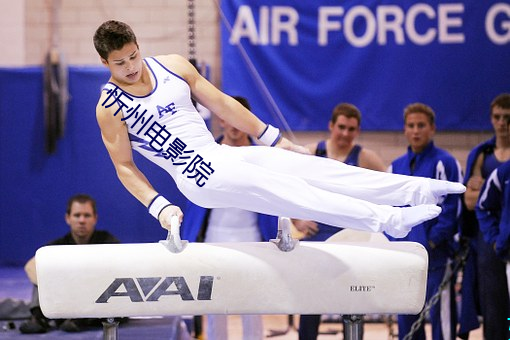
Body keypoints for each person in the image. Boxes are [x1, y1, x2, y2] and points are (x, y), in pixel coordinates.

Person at [93, 20, 465, 247]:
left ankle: (413, 189)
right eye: (119, 63)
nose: (129, 68)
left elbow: (222, 103)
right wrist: (160, 207)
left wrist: (273, 137)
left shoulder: (172, 66)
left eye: (132, 57)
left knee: (314, 169)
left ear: (139, 46)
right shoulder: (110, 107)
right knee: (294, 193)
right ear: (105, 63)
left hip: (222, 155)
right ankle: (387, 220)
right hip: (197, 174)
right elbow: (124, 167)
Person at [181, 96, 278, 340]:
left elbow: (275, 199)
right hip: (214, 238)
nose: (235, 126)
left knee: (253, 306)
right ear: (221, 120)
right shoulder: (204, 153)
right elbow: (192, 198)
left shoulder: (262, 159)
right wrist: (187, 238)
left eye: (239, 120)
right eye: (229, 119)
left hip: (254, 239)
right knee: (215, 305)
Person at [295, 102, 386, 340]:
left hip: (351, 239)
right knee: (310, 302)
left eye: (351, 129)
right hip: (317, 235)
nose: (345, 134)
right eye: (341, 127)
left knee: (353, 300)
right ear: (331, 126)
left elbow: (389, 192)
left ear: (357, 131)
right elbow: (285, 189)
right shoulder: (311, 152)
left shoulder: (365, 158)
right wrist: (297, 219)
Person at [387, 103, 462, 340]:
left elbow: (452, 209)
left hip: (436, 257)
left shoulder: (445, 163)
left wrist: (432, 241)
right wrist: (395, 243)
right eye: (411, 126)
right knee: (407, 321)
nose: (416, 131)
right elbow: (388, 209)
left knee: (442, 320)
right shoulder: (395, 167)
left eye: (421, 125)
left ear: (432, 129)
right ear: (405, 130)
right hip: (405, 259)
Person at [19, 194, 120, 334]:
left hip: (96, 301)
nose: (82, 220)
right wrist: (60, 283)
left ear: (95, 218)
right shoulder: (57, 246)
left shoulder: (108, 242)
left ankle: (80, 319)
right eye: (77, 215)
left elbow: (118, 270)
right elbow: (30, 266)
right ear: (68, 218)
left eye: (87, 215)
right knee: (42, 270)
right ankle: (38, 318)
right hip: (65, 298)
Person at [460, 93, 510, 340]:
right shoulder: (482, 154)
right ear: (491, 119)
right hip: (489, 238)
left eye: (507, 118)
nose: (502, 123)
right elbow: (469, 202)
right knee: (493, 304)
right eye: (497, 117)